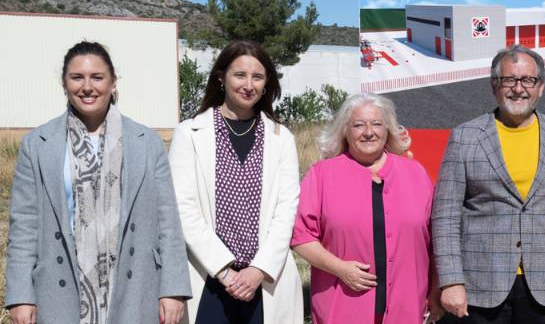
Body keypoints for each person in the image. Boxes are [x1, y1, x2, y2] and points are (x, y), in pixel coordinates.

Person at [4, 41, 190, 324]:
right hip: (59, 288)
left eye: (97, 77)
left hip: (134, 284)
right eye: (77, 77)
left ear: (113, 82)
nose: (87, 87)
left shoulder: (146, 142)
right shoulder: (37, 144)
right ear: (64, 84)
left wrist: (173, 290)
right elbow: (24, 225)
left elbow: (167, 222)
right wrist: (20, 295)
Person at [433, 44, 545, 324]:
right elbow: (445, 215)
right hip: (480, 283)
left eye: (528, 80)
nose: (518, 88)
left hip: (542, 282)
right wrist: (450, 281)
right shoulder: (466, 136)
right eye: (509, 79)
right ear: (494, 86)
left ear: (541, 87)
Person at [168, 40, 303, 324]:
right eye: (239, 75)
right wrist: (225, 271)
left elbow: (286, 210)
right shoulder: (189, 133)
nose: (248, 84)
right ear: (221, 77)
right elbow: (184, 209)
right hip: (210, 280)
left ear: (267, 84)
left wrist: (258, 271)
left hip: (264, 280)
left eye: (257, 76)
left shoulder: (282, 138)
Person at [292, 93, 441, 324]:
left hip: (407, 306)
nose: (369, 132)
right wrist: (340, 268)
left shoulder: (416, 174)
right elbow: (301, 236)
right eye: (359, 125)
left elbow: (436, 239)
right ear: (345, 131)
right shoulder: (322, 174)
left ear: (388, 129)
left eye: (377, 124)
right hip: (342, 305)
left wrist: (436, 290)